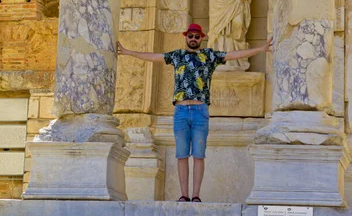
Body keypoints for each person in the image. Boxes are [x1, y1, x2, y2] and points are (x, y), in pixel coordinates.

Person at [117, 23, 273, 203]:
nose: (193, 39)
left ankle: (196, 196)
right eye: (190, 36)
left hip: (200, 111)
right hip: (181, 111)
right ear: (186, 37)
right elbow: (153, 57)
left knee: (199, 155)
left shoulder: (209, 56)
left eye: (196, 36)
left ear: (201, 38)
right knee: (182, 156)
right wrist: (129, 52)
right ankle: (184, 195)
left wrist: (261, 49)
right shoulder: (177, 55)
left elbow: (234, 55)